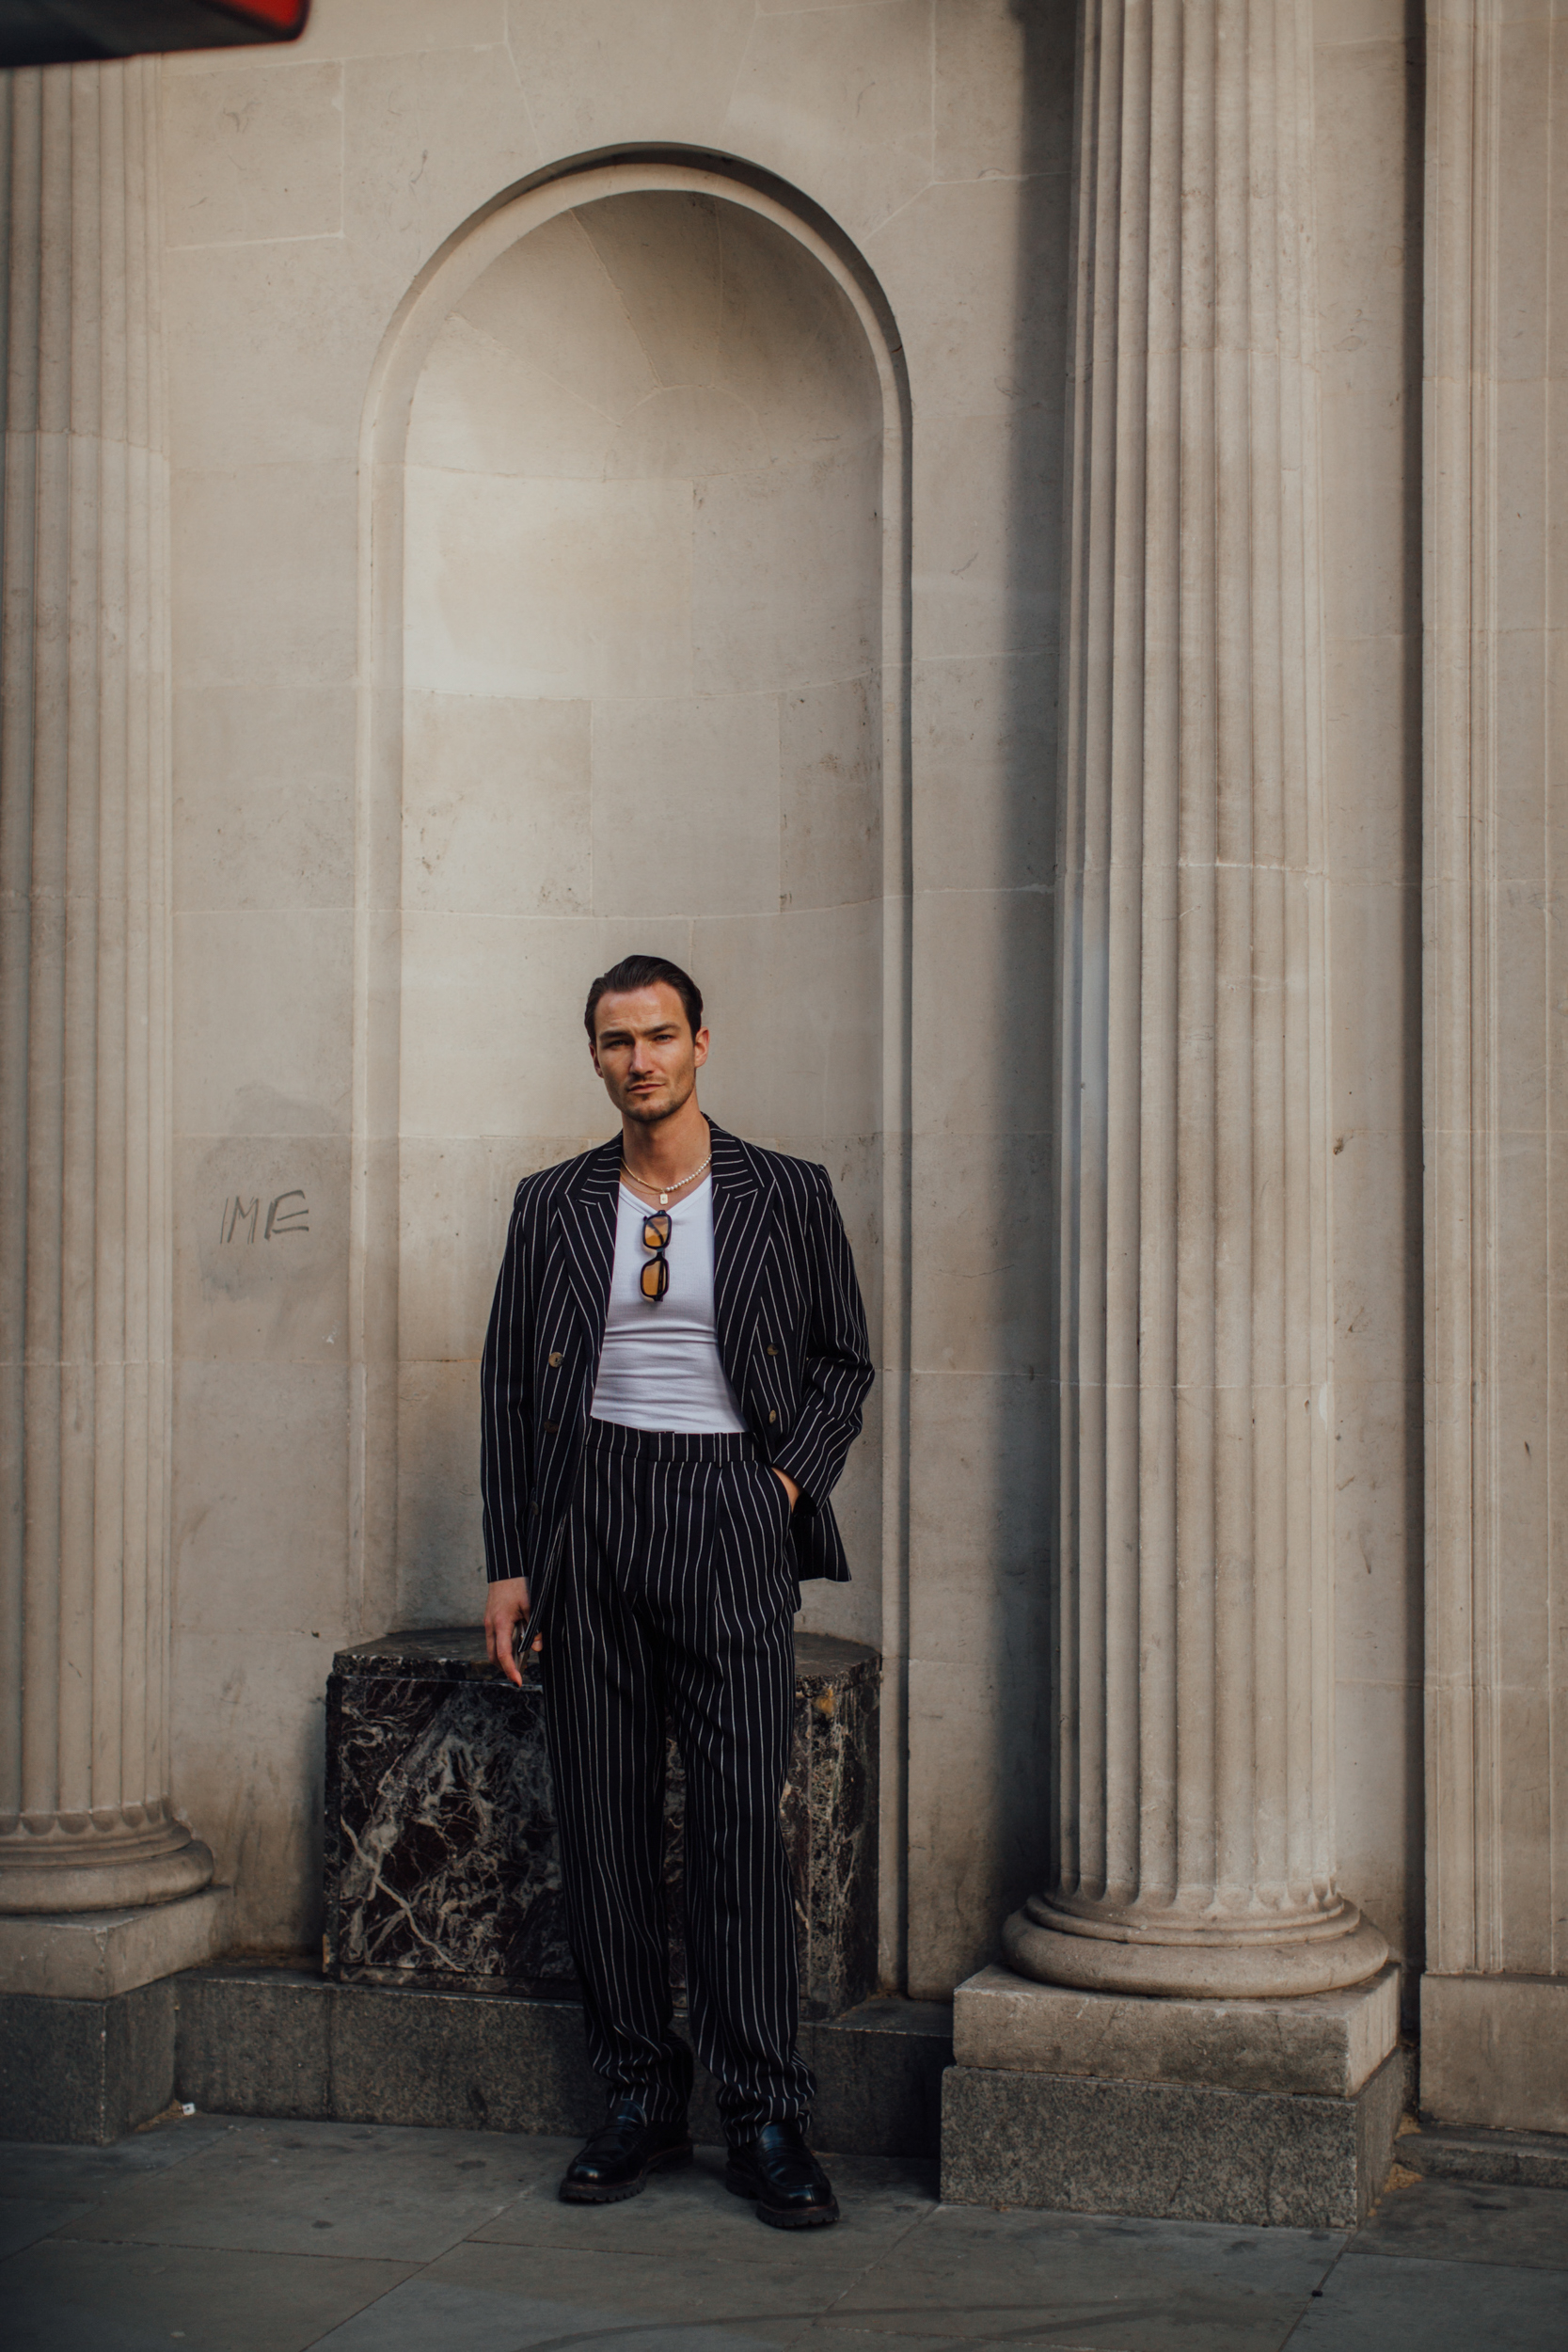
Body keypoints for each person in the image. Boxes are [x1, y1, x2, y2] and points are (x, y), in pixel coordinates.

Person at [480, 953, 873, 2229]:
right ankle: (641, 2099)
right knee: (601, 1826)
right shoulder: (552, 1203)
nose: (638, 1060)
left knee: (737, 1833)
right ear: (594, 1057)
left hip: (731, 1510)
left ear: (703, 1042)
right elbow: (508, 1388)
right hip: (590, 1515)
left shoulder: (786, 1193)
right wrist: (512, 1560)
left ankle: (762, 2115)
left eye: (658, 1036)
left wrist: (783, 1491)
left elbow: (844, 1364)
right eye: (616, 1041)